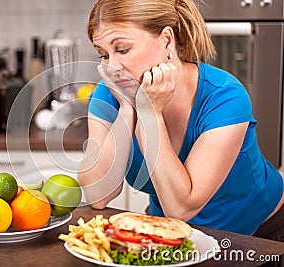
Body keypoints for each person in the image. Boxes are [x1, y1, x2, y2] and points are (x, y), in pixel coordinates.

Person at [77, 0, 284, 241]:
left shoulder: (224, 96)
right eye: (103, 55)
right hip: (172, 233)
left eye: (122, 49)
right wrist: (127, 107)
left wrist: (149, 113)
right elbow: (97, 196)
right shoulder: (111, 93)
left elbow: (182, 208)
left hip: (257, 235)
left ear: (166, 40)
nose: (112, 67)